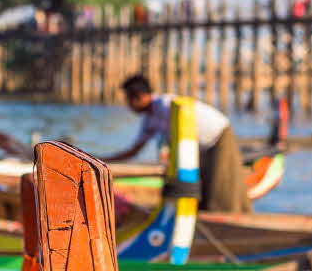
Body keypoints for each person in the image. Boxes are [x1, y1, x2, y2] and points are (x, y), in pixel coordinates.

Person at [104, 74, 251, 213]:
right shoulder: (150, 120)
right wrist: (103, 161)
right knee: (204, 189)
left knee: (221, 186)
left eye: (129, 100)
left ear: (140, 97)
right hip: (198, 148)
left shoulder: (167, 105)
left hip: (218, 135)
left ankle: (228, 221)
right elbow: (134, 151)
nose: (128, 105)